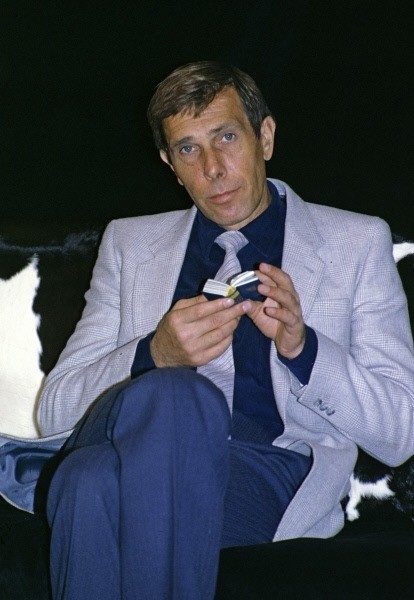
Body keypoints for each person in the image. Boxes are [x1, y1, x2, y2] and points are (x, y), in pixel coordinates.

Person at [37, 61, 414, 600]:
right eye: (188, 149)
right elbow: (55, 412)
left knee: (86, 483)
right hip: (131, 441)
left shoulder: (355, 243)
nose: (212, 168)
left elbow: (402, 431)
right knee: (175, 393)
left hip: (266, 468)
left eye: (227, 137)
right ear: (170, 164)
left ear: (266, 137)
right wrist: (153, 354)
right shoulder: (130, 245)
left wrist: (303, 349)